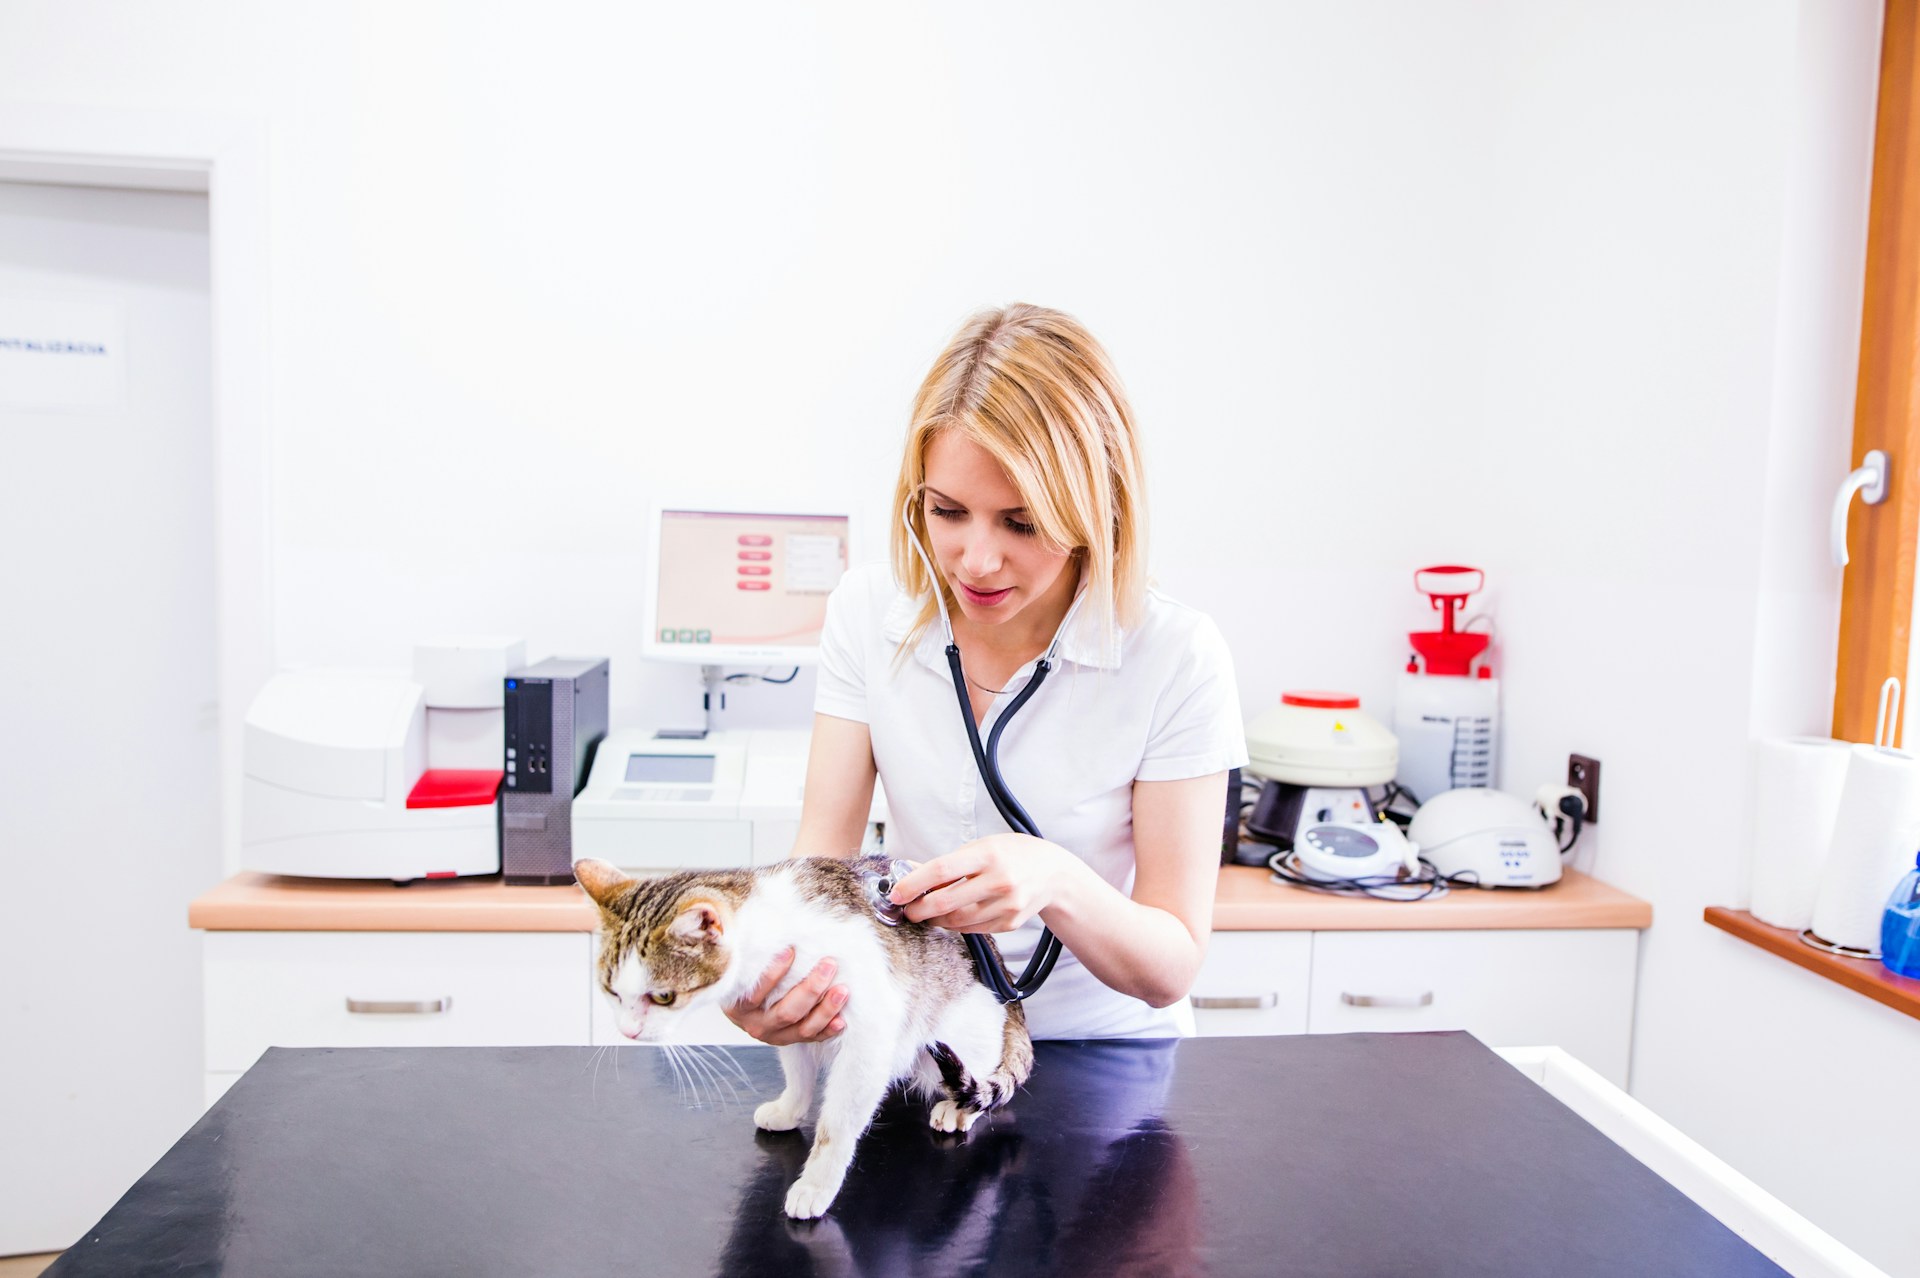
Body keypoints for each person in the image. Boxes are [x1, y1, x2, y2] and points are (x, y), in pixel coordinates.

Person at [724, 303, 1246, 1042]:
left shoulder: (1176, 655)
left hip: (1106, 1056)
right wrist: (772, 978)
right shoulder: (868, 612)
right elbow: (818, 863)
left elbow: (1170, 966)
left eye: (1022, 522)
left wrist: (1053, 879)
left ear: (1097, 508)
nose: (976, 560)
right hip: (927, 1044)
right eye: (947, 511)